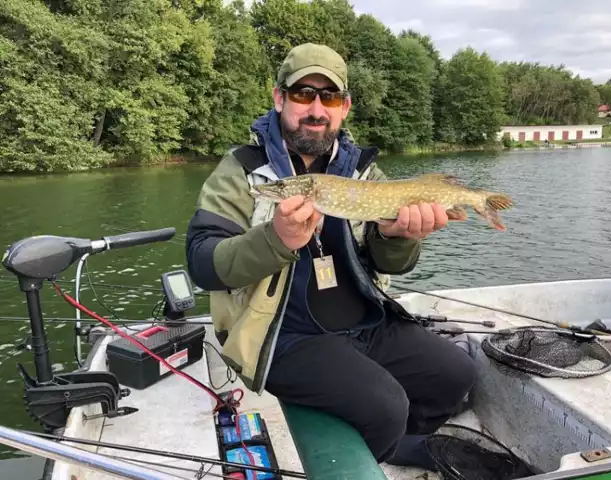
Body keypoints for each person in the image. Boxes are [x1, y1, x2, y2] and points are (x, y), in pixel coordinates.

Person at [185, 43, 477, 470]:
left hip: (362, 323)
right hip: (281, 337)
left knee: (455, 374)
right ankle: (386, 447)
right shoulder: (241, 172)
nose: (317, 109)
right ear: (279, 98)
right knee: (384, 404)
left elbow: (393, 264)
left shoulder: (363, 172)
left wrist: (398, 236)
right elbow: (202, 263)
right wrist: (276, 239)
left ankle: (398, 444)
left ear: (345, 108)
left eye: (330, 97)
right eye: (303, 94)